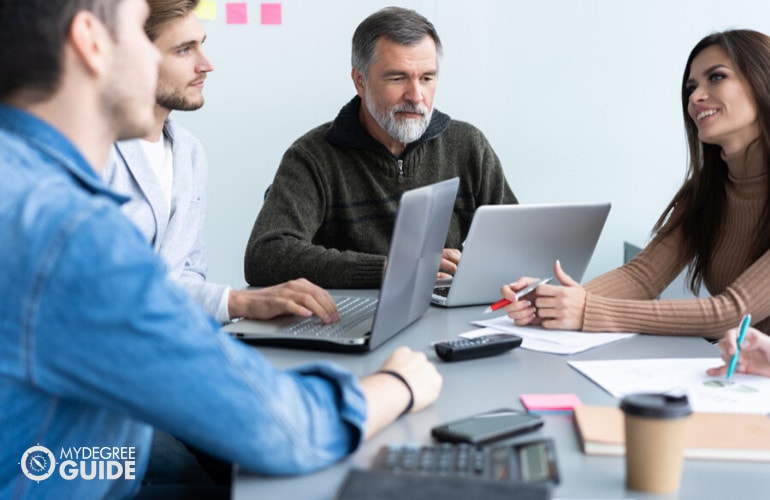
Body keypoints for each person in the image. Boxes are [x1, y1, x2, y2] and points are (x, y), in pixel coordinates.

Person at [0, 1, 442, 498]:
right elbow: (286, 431)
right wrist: (400, 384)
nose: (203, 64)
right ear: (92, 41)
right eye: (141, 36)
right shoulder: (70, 231)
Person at [501, 29, 770, 338]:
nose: (695, 97)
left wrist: (588, 310)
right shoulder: (707, 191)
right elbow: (642, 277)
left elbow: (730, 314)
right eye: (691, 87)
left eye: (717, 77)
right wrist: (552, 303)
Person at [244, 6, 517, 289]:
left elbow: (516, 243)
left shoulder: (468, 145)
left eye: (427, 78)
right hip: (349, 318)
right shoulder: (312, 156)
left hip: (449, 316)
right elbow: (265, 255)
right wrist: (389, 269)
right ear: (360, 81)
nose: (416, 95)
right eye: (397, 78)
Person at [104, 0, 339, 326]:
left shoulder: (189, 153)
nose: (206, 65)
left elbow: (188, 275)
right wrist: (238, 301)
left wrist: (240, 309)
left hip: (172, 341)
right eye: (184, 50)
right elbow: (98, 290)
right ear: (133, 57)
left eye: (201, 45)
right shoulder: (95, 154)